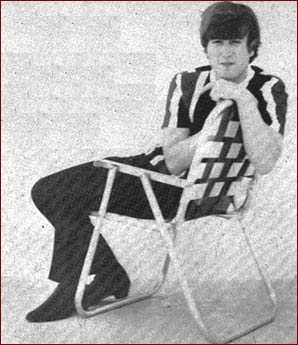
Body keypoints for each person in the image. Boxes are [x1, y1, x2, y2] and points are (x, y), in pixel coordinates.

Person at [26, 1, 288, 323]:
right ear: (206, 48)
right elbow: (172, 158)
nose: (225, 52)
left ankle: (84, 281)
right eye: (217, 42)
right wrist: (206, 136)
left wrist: (242, 98)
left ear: (251, 48)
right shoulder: (188, 83)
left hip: (171, 192)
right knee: (59, 190)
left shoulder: (265, 89)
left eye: (235, 42)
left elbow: (264, 162)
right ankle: (102, 276)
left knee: (50, 191)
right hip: (163, 178)